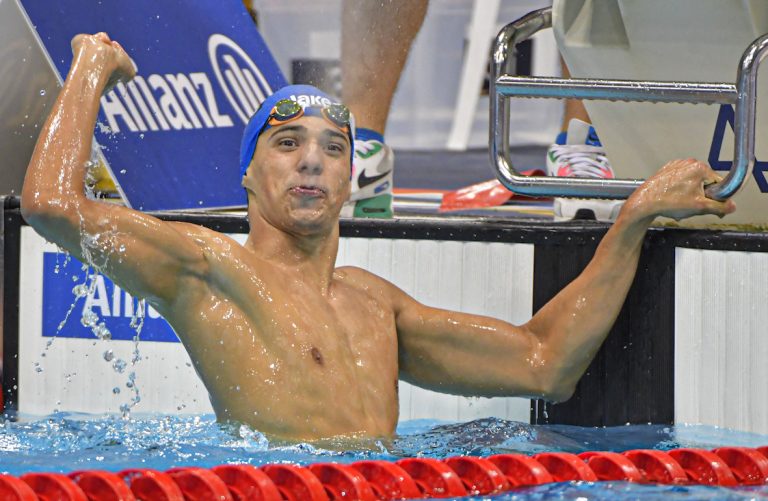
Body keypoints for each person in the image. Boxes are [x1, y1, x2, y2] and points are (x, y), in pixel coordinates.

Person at [22, 33, 734, 441]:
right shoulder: (210, 268)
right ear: (247, 175)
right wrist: (92, 64)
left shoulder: (375, 307)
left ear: (351, 176)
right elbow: (52, 205)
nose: (311, 160)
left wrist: (635, 215)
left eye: (334, 147)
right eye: (287, 142)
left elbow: (544, 362)